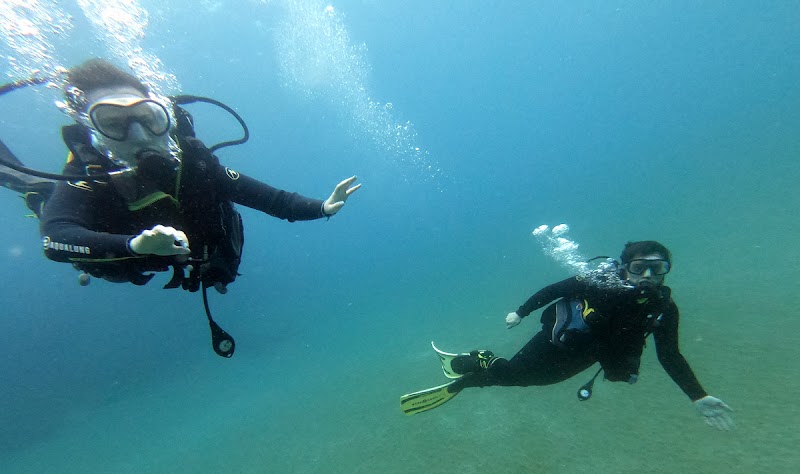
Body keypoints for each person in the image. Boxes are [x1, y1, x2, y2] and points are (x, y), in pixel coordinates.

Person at [33, 58, 361, 356]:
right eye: (113, 122)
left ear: (165, 116)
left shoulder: (195, 163)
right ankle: (34, 194)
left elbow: (270, 199)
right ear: (91, 129)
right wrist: (132, 246)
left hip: (191, 249)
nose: (137, 134)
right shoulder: (86, 175)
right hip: (119, 256)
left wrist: (322, 207)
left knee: (222, 232)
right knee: (63, 222)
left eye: (148, 118)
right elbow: (55, 238)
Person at [400, 241, 734, 431]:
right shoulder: (601, 282)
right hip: (558, 339)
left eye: (657, 269)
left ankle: (482, 367)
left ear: (666, 271)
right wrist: (522, 311)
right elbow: (558, 289)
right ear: (624, 266)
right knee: (515, 375)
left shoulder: (662, 308)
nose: (647, 276)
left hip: (587, 355)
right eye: (639, 267)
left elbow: (670, 355)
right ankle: (477, 363)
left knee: (532, 382)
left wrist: (697, 395)